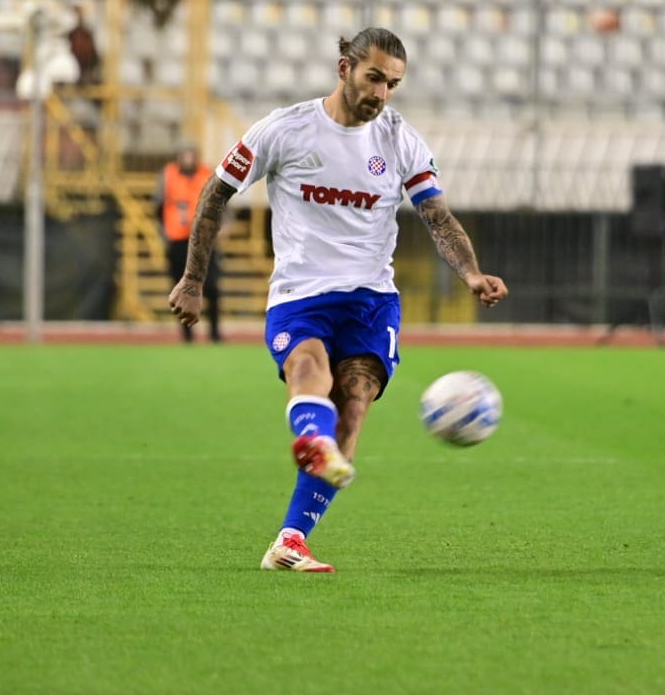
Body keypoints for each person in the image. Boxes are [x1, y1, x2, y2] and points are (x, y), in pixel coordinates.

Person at [168, 28, 508, 573]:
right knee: (309, 368)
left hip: (372, 298)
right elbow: (216, 192)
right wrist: (192, 279)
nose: (381, 94)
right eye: (374, 78)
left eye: (392, 84)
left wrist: (470, 272)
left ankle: (290, 541)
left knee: (352, 407)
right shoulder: (285, 129)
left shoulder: (399, 140)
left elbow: (437, 216)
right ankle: (312, 439)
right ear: (344, 68)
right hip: (300, 293)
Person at [159, 143, 221, 344]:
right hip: (178, 241)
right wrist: (164, 234)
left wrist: (222, 226)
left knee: (212, 287)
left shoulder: (206, 173)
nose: (188, 159)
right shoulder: (168, 174)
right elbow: (158, 207)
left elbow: (221, 201)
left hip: (204, 240)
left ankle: (214, 333)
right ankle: (187, 335)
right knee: (180, 289)